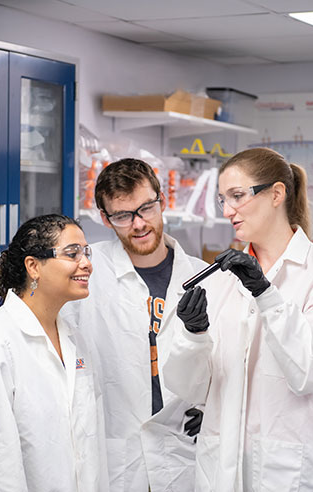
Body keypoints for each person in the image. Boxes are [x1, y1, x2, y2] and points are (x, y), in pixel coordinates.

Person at [164, 147, 313, 491]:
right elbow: (191, 388)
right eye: (222, 200)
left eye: (237, 196)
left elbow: (310, 371)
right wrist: (193, 336)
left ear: (276, 194)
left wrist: (265, 293)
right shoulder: (222, 279)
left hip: (293, 472)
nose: (228, 211)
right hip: (223, 469)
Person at [61, 158, 207, 491]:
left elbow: (227, 361)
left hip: (185, 452)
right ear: (105, 218)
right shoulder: (85, 272)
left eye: (146, 208)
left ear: (162, 200)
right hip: (117, 455)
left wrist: (212, 407)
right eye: (123, 216)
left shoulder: (204, 277)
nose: (139, 224)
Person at [0, 214, 109, 492]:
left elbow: (91, 448)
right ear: (33, 266)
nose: (86, 263)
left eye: (86, 252)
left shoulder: (74, 338)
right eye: (72, 253)